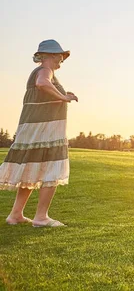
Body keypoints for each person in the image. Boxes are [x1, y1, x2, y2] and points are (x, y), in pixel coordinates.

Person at [0, 40, 78, 227]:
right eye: (59, 55)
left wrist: (62, 94)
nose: (62, 59)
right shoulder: (45, 71)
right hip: (45, 130)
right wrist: (64, 97)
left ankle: (15, 214)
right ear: (50, 55)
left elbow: (43, 90)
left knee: (31, 169)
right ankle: (41, 217)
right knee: (52, 168)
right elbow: (42, 84)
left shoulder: (44, 73)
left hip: (35, 128)